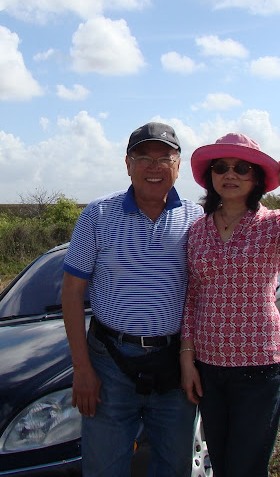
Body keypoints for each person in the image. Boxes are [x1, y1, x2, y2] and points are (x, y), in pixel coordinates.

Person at [180, 133, 280, 477]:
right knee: (222, 464)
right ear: (210, 176)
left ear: (257, 177)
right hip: (209, 367)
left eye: (241, 168)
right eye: (221, 167)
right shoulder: (197, 231)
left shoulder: (274, 223)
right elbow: (192, 297)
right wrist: (187, 358)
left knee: (246, 467)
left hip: (258, 365)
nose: (230, 174)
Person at [61, 121, 204, 477]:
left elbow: (205, 293)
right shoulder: (97, 215)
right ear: (128, 164)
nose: (154, 167)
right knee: (104, 469)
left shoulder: (196, 219)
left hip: (174, 364)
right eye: (143, 158)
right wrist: (82, 369)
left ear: (178, 165)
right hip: (109, 364)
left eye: (164, 158)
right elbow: (72, 292)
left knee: (174, 468)